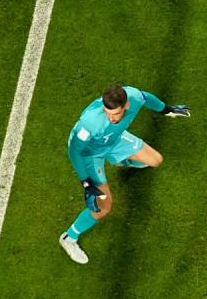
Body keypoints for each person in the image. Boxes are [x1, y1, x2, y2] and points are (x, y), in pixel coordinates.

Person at [58, 84, 190, 264]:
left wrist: (166, 109)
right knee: (103, 207)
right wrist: (87, 184)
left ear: (126, 105)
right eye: (107, 113)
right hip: (90, 154)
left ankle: (120, 160)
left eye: (116, 114)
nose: (111, 118)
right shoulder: (90, 123)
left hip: (115, 140)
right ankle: (69, 237)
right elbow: (74, 152)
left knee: (155, 160)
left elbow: (146, 97)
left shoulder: (133, 97)